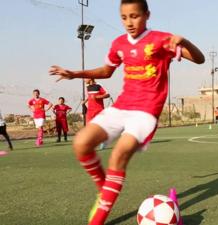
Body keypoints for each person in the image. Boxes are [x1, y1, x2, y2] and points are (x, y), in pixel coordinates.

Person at [49, 0, 205, 224]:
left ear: (147, 15)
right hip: (122, 105)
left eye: (134, 16)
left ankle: (99, 216)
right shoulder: (119, 43)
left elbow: (199, 60)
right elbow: (106, 71)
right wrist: (75, 74)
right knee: (81, 143)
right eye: (124, 17)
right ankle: (105, 190)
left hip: (146, 111)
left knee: (118, 154)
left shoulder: (162, 40)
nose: (129, 22)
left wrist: (184, 40)